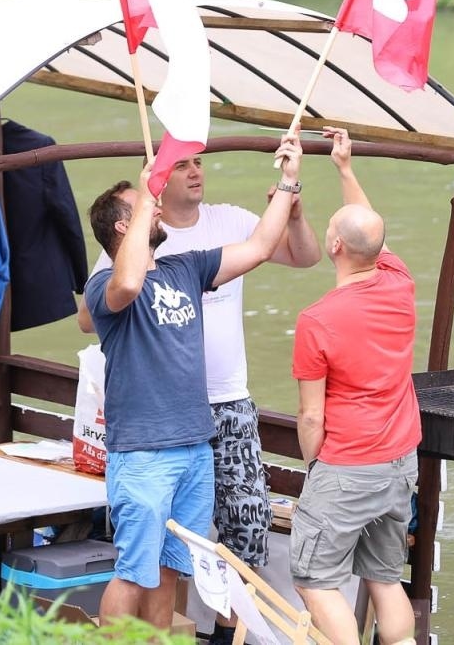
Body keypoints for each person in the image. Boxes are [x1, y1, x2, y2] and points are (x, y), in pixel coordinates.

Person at [81, 153, 321, 645]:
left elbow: (257, 248)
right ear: (126, 224)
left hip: (194, 446)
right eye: (144, 206)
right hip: (144, 453)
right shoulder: (105, 284)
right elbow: (129, 281)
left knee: (171, 568)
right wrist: (150, 193)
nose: (158, 209)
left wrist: (289, 182)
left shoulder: (185, 267)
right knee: (133, 571)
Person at [290, 127, 420, 645]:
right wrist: (344, 168)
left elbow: (311, 417)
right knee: (385, 577)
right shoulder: (399, 282)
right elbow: (374, 235)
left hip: (347, 464)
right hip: (398, 463)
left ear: (335, 245)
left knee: (314, 578)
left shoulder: (317, 320)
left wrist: (313, 464)